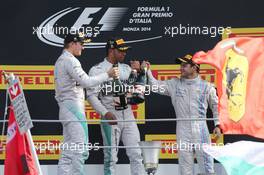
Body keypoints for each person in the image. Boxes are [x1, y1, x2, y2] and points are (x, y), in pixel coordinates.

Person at [145, 54, 221, 175]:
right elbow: (155, 86)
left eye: (184, 65)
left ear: (195, 67)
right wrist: (148, 71)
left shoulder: (206, 87)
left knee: (207, 167)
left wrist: (217, 125)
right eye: (181, 65)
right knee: (185, 168)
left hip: (200, 129)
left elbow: (216, 106)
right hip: (182, 128)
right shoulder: (174, 84)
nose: (181, 68)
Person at [54, 32, 119, 175]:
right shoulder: (70, 61)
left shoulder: (60, 60)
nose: (83, 48)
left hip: (66, 109)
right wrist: (107, 74)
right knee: (80, 148)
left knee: (68, 151)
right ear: (72, 43)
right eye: (81, 44)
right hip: (73, 109)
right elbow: (87, 82)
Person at [86, 37, 144, 175]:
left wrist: (139, 72)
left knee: (136, 154)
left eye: (125, 51)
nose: (124, 54)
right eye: (121, 51)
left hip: (128, 115)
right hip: (110, 116)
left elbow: (137, 94)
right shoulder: (97, 70)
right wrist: (105, 113)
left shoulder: (127, 68)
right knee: (111, 157)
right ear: (111, 51)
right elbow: (91, 96)